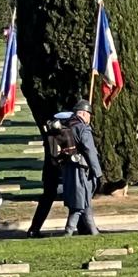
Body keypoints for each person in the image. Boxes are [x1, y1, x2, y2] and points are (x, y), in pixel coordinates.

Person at [60, 99, 104, 236]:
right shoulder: (82, 128)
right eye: (89, 114)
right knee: (80, 203)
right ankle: (68, 232)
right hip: (82, 169)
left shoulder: (66, 125)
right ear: (84, 114)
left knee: (83, 202)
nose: (90, 117)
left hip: (69, 168)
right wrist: (98, 172)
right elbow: (90, 150)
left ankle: (93, 231)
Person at [27, 116, 67, 237]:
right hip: (54, 174)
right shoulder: (54, 138)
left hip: (51, 174)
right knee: (48, 201)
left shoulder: (51, 137)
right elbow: (54, 156)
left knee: (47, 201)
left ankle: (34, 228)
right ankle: (34, 229)